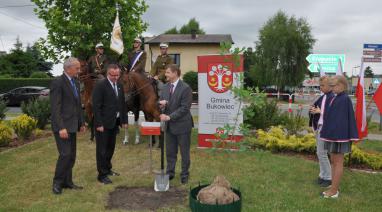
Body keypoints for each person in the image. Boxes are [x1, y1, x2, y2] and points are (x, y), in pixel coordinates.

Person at [50, 57, 85, 195]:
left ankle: (67, 182)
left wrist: (81, 123)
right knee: (65, 155)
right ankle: (57, 183)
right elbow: (55, 108)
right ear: (68, 68)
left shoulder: (75, 82)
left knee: (71, 156)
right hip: (62, 127)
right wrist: (61, 127)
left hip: (73, 125)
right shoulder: (58, 82)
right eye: (77, 68)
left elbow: (77, 105)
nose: (79, 70)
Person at [320, 75, 359, 198]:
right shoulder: (336, 98)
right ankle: (333, 186)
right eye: (330, 85)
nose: (332, 88)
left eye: (333, 85)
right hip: (332, 135)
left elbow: (348, 119)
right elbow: (331, 117)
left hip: (339, 136)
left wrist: (352, 135)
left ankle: (334, 191)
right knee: (333, 161)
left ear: (342, 85)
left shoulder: (345, 99)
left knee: (337, 162)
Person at [92, 64, 128, 184]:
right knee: (102, 150)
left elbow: (122, 104)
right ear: (108, 73)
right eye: (113, 75)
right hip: (103, 124)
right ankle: (101, 175)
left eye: (117, 75)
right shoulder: (100, 85)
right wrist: (99, 124)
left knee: (110, 148)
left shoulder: (119, 85)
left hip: (114, 123)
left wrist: (124, 120)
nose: (115, 77)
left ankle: (107, 169)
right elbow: (96, 106)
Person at [159, 64, 193, 184]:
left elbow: (185, 108)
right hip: (169, 127)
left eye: (168, 72)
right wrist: (163, 105)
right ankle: (170, 173)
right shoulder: (165, 87)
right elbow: (166, 103)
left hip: (183, 126)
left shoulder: (185, 88)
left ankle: (184, 174)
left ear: (175, 73)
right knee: (170, 151)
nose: (165, 75)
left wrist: (169, 117)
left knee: (184, 152)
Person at [309, 76, 334, 188]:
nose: (321, 87)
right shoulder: (323, 96)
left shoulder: (332, 97)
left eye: (323, 85)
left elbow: (334, 114)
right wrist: (313, 110)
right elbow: (317, 108)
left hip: (326, 128)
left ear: (330, 86)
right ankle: (322, 175)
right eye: (320, 85)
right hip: (320, 127)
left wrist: (320, 111)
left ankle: (328, 178)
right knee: (320, 153)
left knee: (322, 153)